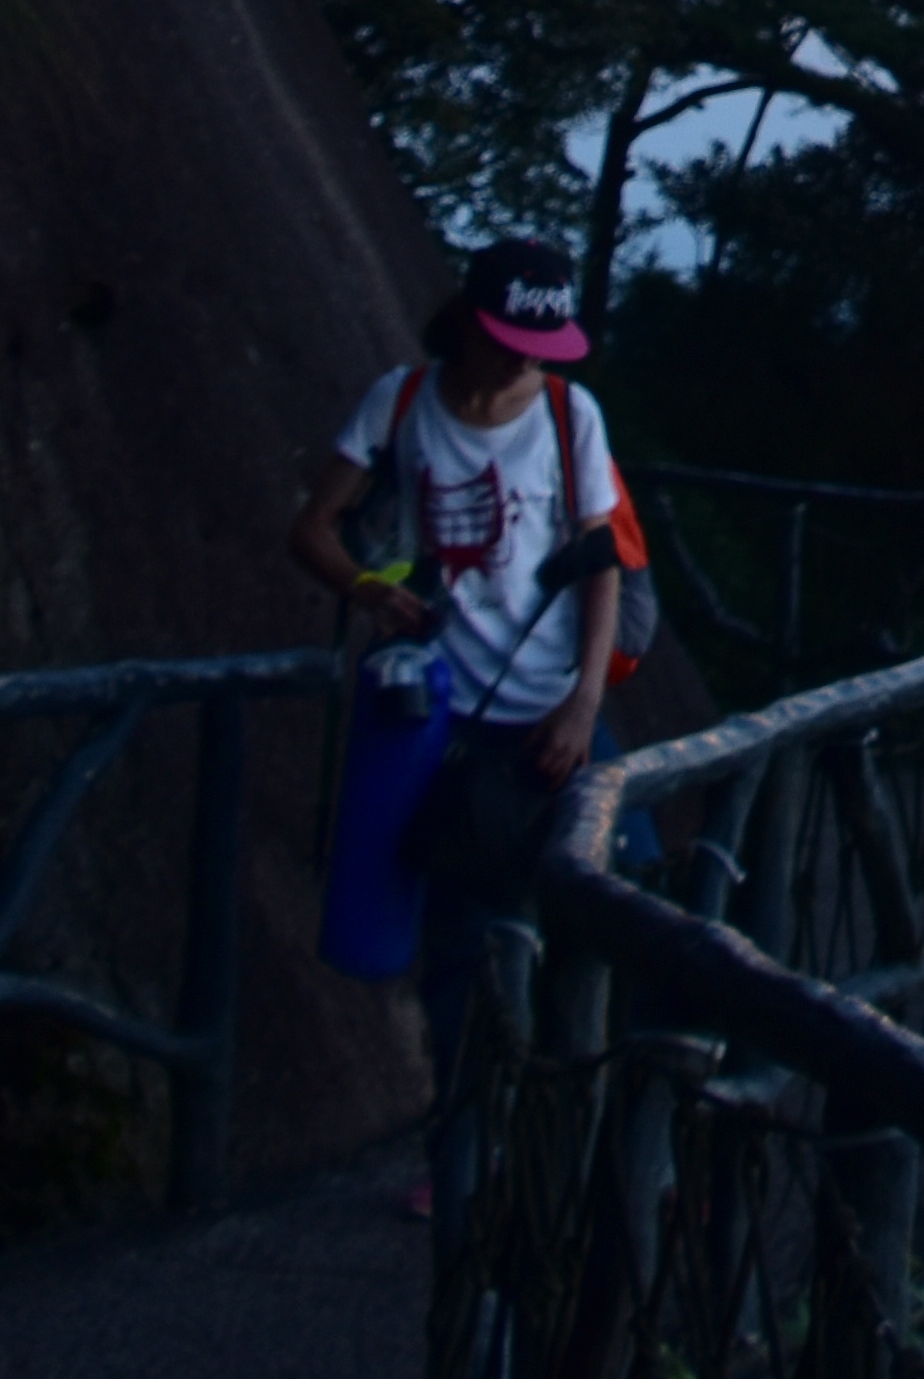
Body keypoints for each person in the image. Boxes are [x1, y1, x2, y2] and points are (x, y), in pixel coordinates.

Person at [289, 234, 629, 1222]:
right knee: (458, 959)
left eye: (545, 342)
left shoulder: (571, 415)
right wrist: (365, 588)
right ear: (473, 325)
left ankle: (578, 1162)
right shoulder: (401, 402)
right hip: (444, 719)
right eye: (515, 339)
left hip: (553, 716)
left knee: (580, 939)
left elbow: (601, 556)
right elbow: (312, 525)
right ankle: (470, 1164)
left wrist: (585, 699)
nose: (531, 358)